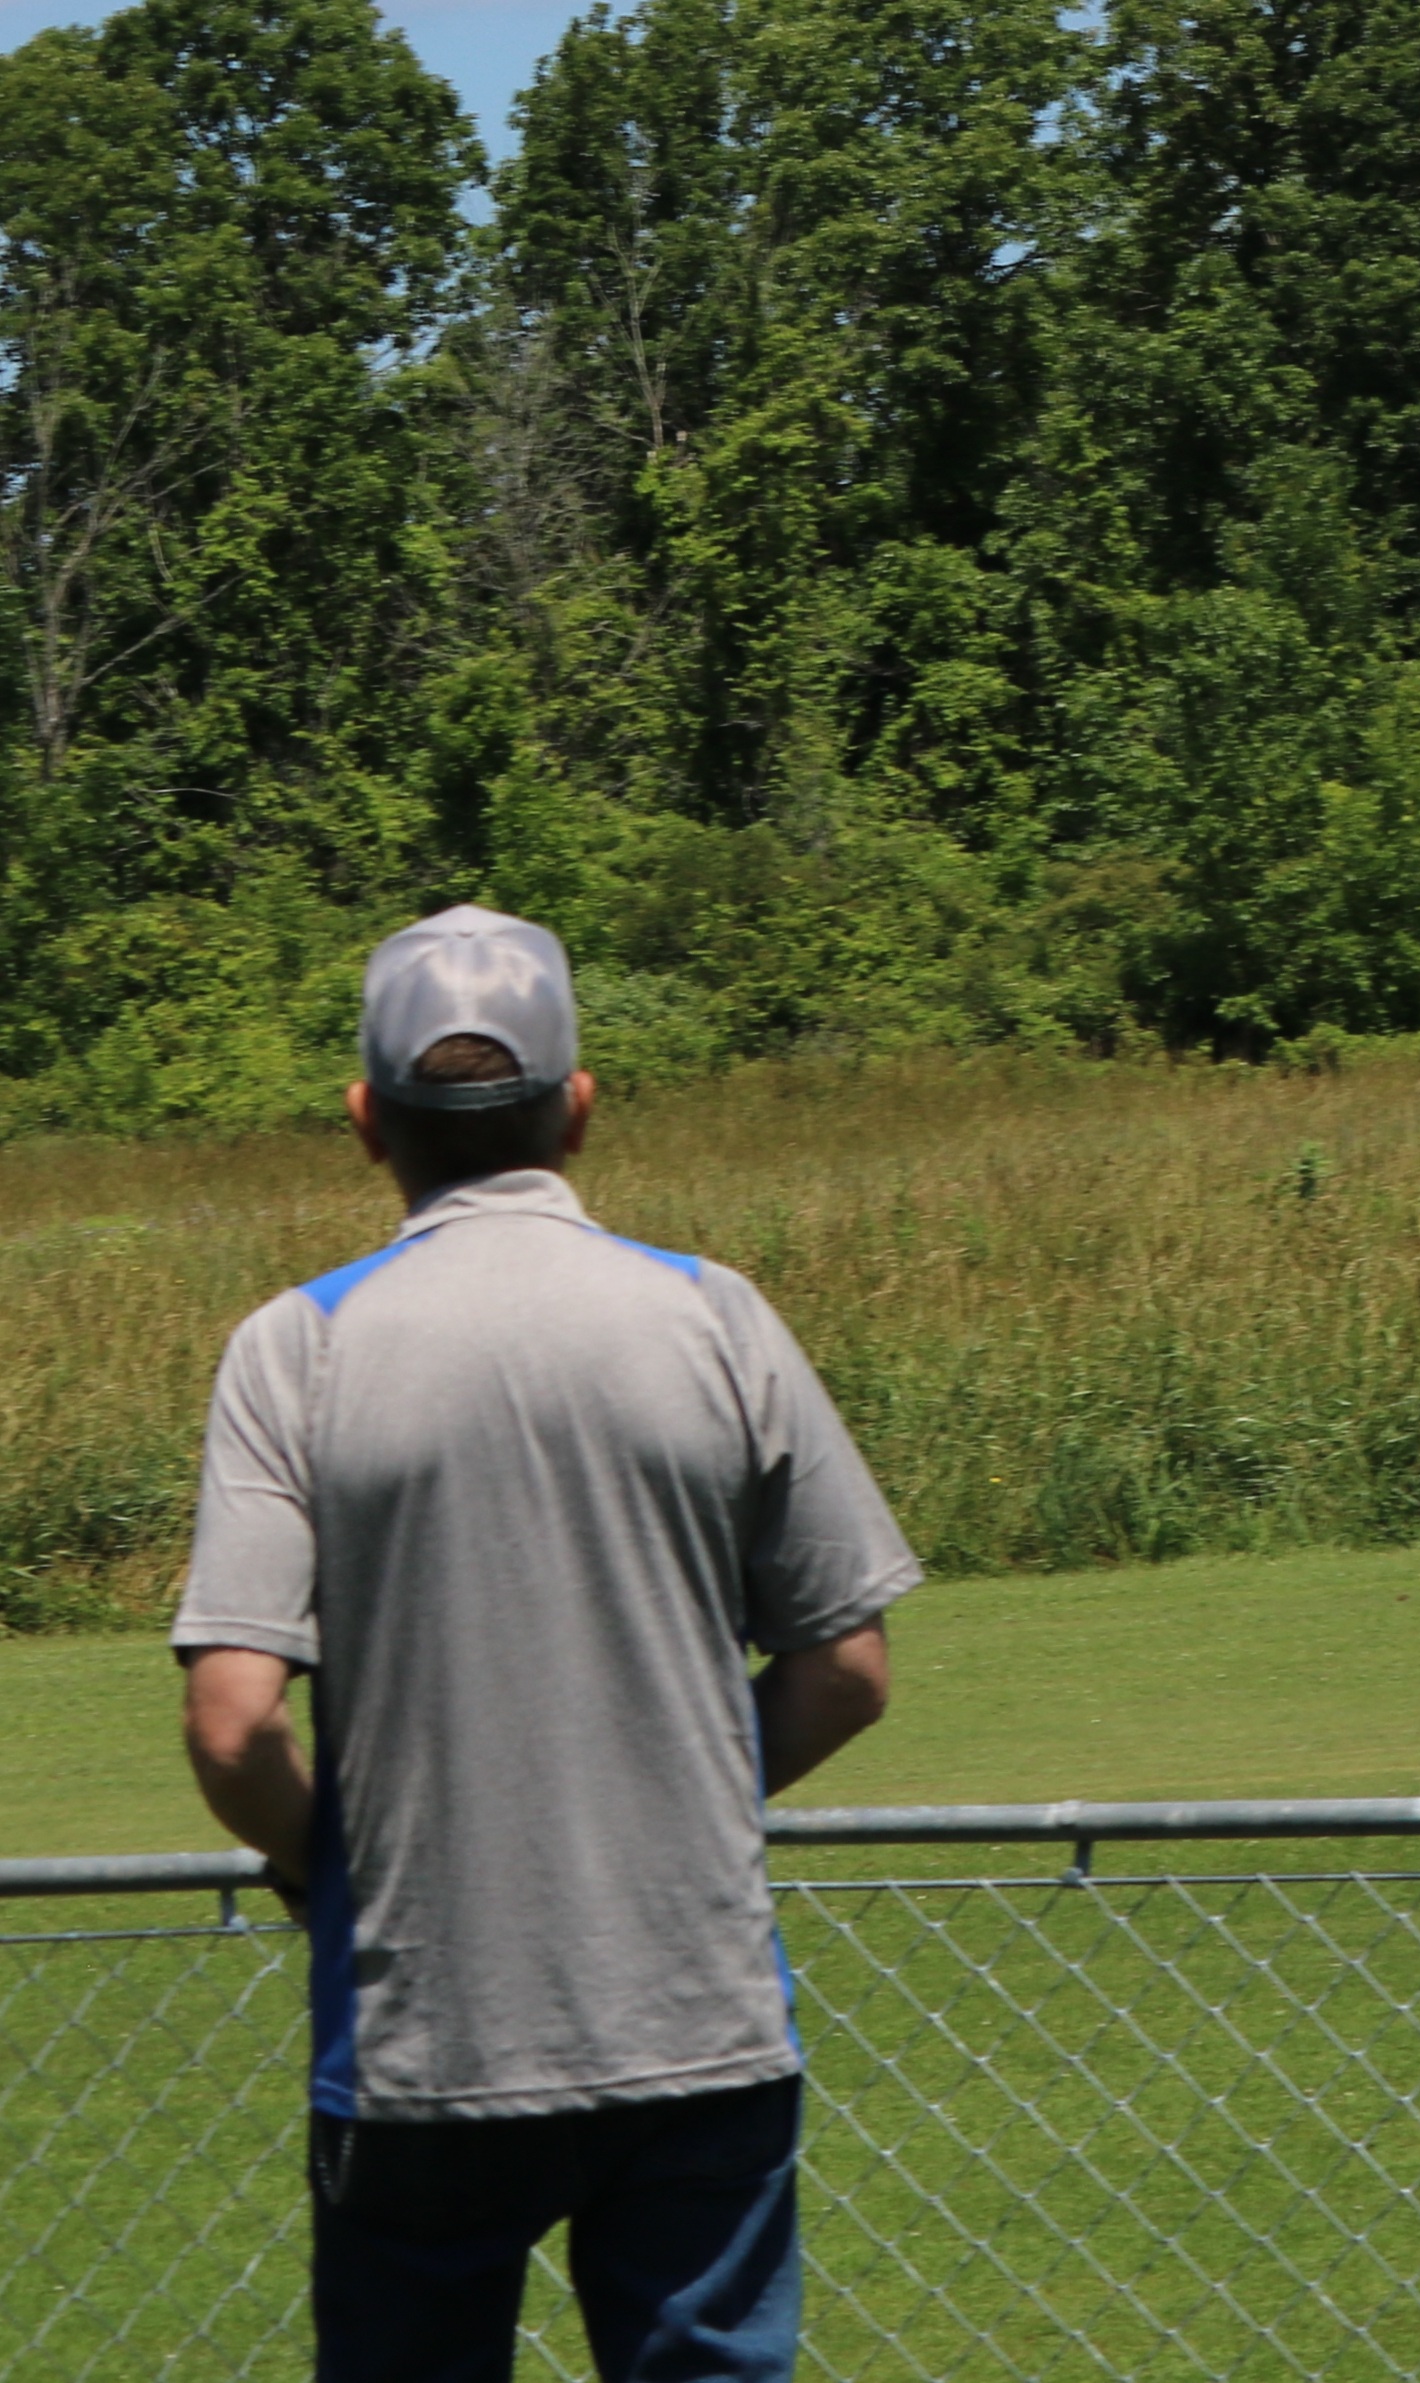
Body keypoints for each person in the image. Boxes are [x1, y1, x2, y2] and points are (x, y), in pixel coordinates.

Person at [171, 904, 920, 2382]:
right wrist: (679, 1808)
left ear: (367, 1121)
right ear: (578, 1107)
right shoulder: (716, 1317)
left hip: (420, 2037)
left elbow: (235, 1724)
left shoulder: (295, 1347)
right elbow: (846, 1668)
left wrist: (334, 1866)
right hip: (695, 2018)